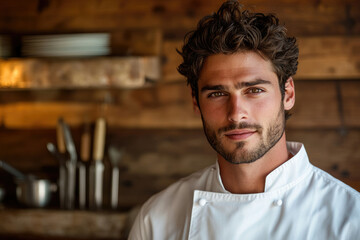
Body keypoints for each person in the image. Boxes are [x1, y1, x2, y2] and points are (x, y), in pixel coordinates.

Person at [129, 1, 360, 239]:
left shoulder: (350, 218)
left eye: (254, 90)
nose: (236, 113)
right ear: (196, 102)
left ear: (287, 94)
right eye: (217, 94)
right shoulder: (157, 220)